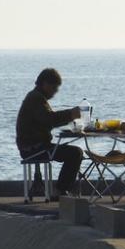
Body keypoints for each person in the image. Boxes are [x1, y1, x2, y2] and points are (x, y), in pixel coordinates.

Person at [15, 68, 84, 198]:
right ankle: (59, 190)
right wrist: (71, 114)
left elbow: (47, 120)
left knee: (73, 153)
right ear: (45, 84)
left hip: (32, 146)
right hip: (34, 149)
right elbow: (50, 120)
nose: (55, 92)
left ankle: (62, 189)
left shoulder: (35, 97)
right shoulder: (36, 99)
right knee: (75, 153)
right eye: (54, 88)